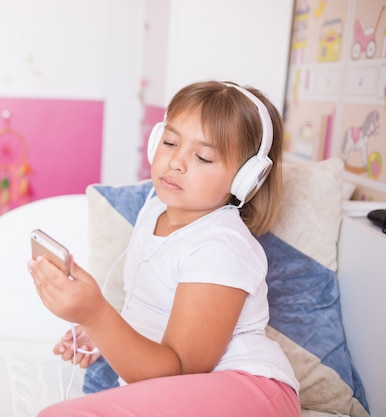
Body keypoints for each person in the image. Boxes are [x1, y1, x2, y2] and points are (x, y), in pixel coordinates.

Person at [27, 80, 301, 417]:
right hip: (183, 382)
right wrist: (102, 334)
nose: (176, 162)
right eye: (170, 142)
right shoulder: (154, 208)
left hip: (250, 390)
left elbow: (180, 372)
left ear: (247, 178)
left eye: (203, 157)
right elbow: (153, 318)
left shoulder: (221, 246)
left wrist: (96, 315)